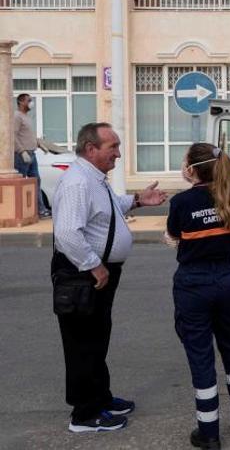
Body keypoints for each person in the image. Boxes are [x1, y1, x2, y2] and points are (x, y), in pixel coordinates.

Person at [53, 122, 167, 433]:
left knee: (97, 338)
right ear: (91, 149)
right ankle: (85, 415)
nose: (118, 153)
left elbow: (108, 209)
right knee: (82, 343)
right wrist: (94, 265)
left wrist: (139, 201)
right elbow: (67, 233)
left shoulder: (94, 179)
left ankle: (100, 398)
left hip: (96, 272)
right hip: (82, 274)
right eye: (112, 147)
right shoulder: (78, 182)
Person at [166, 143, 230, 449]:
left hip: (194, 283)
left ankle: (209, 433)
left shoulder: (181, 202)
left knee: (201, 356)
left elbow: (175, 235)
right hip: (226, 280)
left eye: (185, 162)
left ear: (192, 168)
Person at [14, 93, 50, 217]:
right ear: (21, 102)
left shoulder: (27, 117)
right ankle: (20, 212)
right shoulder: (17, 116)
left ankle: (41, 210)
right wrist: (21, 151)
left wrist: (39, 144)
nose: (31, 102)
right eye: (29, 100)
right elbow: (13, 136)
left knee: (36, 182)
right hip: (22, 156)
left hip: (31, 154)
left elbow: (28, 135)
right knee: (20, 184)